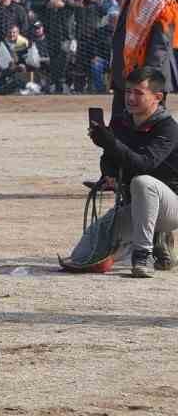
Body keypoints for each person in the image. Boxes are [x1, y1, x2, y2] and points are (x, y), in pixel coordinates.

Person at [74, 66, 178, 276]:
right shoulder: (120, 121)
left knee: (143, 182)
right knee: (80, 256)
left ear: (157, 97)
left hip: (171, 206)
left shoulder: (168, 128)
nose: (130, 97)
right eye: (128, 91)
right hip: (135, 205)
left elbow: (143, 165)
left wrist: (111, 143)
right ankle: (140, 239)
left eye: (138, 93)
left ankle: (142, 255)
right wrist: (109, 175)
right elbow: (108, 161)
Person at [110, 0, 178, 123]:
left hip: (146, 80)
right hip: (126, 77)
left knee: (149, 133)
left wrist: (145, 80)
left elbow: (160, 46)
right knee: (120, 131)